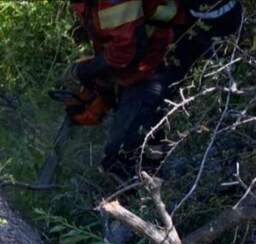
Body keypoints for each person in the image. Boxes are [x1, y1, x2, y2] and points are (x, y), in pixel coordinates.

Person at [67, 0, 243, 179]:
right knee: (134, 126)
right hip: (150, 50)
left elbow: (126, 50)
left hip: (165, 50)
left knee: (121, 154)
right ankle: (151, 160)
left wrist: (85, 71)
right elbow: (114, 36)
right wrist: (102, 83)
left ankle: (140, 191)